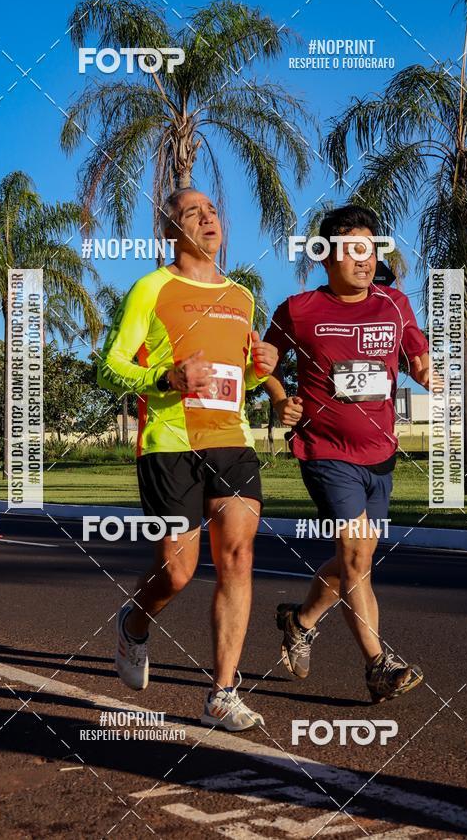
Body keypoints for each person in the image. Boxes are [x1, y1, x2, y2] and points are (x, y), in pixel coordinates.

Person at [97, 188, 278, 730]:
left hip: (231, 439)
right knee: (177, 573)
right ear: (170, 231)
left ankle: (222, 693)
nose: (207, 219)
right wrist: (165, 377)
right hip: (169, 444)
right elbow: (109, 366)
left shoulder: (243, 296)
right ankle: (134, 622)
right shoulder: (150, 288)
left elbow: (240, 376)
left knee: (238, 559)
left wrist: (261, 367)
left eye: (213, 211)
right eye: (192, 213)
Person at [264, 205, 430, 703]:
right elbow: (263, 363)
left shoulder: (395, 304)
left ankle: (301, 620)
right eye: (353, 249)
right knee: (357, 553)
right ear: (326, 256)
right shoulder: (299, 309)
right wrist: (279, 398)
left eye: (370, 249)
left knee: (355, 559)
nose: (364, 259)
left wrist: (426, 372)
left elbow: (416, 354)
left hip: (379, 453)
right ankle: (379, 665)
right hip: (324, 451)